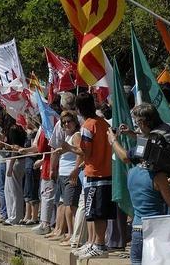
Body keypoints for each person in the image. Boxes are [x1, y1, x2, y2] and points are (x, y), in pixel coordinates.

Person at [108, 103, 170, 265]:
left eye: (138, 123)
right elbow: (148, 142)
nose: (137, 126)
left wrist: (113, 141)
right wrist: (132, 134)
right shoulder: (169, 129)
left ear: (144, 123)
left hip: (155, 195)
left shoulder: (134, 171)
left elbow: (126, 157)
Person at [60, 92, 115, 259]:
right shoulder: (103, 123)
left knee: (96, 212)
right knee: (99, 212)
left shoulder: (88, 126)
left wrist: (68, 148)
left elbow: (85, 151)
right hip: (105, 171)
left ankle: (99, 245)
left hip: (94, 173)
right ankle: (95, 243)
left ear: (78, 109)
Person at [55, 110, 83, 246]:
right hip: (63, 174)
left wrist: (76, 171)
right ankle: (70, 233)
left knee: (70, 207)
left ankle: (73, 235)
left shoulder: (76, 135)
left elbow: (80, 153)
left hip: (70, 174)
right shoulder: (68, 136)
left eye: (68, 121)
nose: (66, 124)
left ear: (75, 122)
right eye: (64, 122)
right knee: (66, 206)